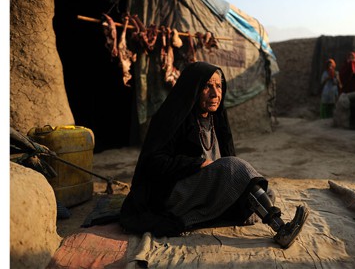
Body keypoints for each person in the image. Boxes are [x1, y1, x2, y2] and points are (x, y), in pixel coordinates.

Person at [119, 62, 309, 249]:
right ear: (194, 88)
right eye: (207, 86)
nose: (215, 93)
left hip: (206, 190)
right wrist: (196, 164)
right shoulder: (172, 118)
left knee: (264, 193)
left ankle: (210, 213)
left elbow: (228, 164)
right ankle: (280, 228)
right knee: (236, 169)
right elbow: (152, 163)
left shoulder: (216, 119)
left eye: (219, 86)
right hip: (175, 193)